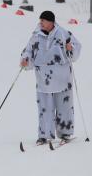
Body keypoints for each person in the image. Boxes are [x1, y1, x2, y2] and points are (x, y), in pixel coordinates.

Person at [20, 11, 81, 145]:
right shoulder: (36, 36)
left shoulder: (64, 34)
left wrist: (71, 48)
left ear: (51, 22)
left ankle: (65, 133)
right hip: (43, 79)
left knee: (64, 106)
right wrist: (25, 60)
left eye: (44, 20)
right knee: (44, 107)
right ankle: (44, 135)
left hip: (62, 78)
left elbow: (76, 50)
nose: (41, 22)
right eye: (40, 20)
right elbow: (28, 51)